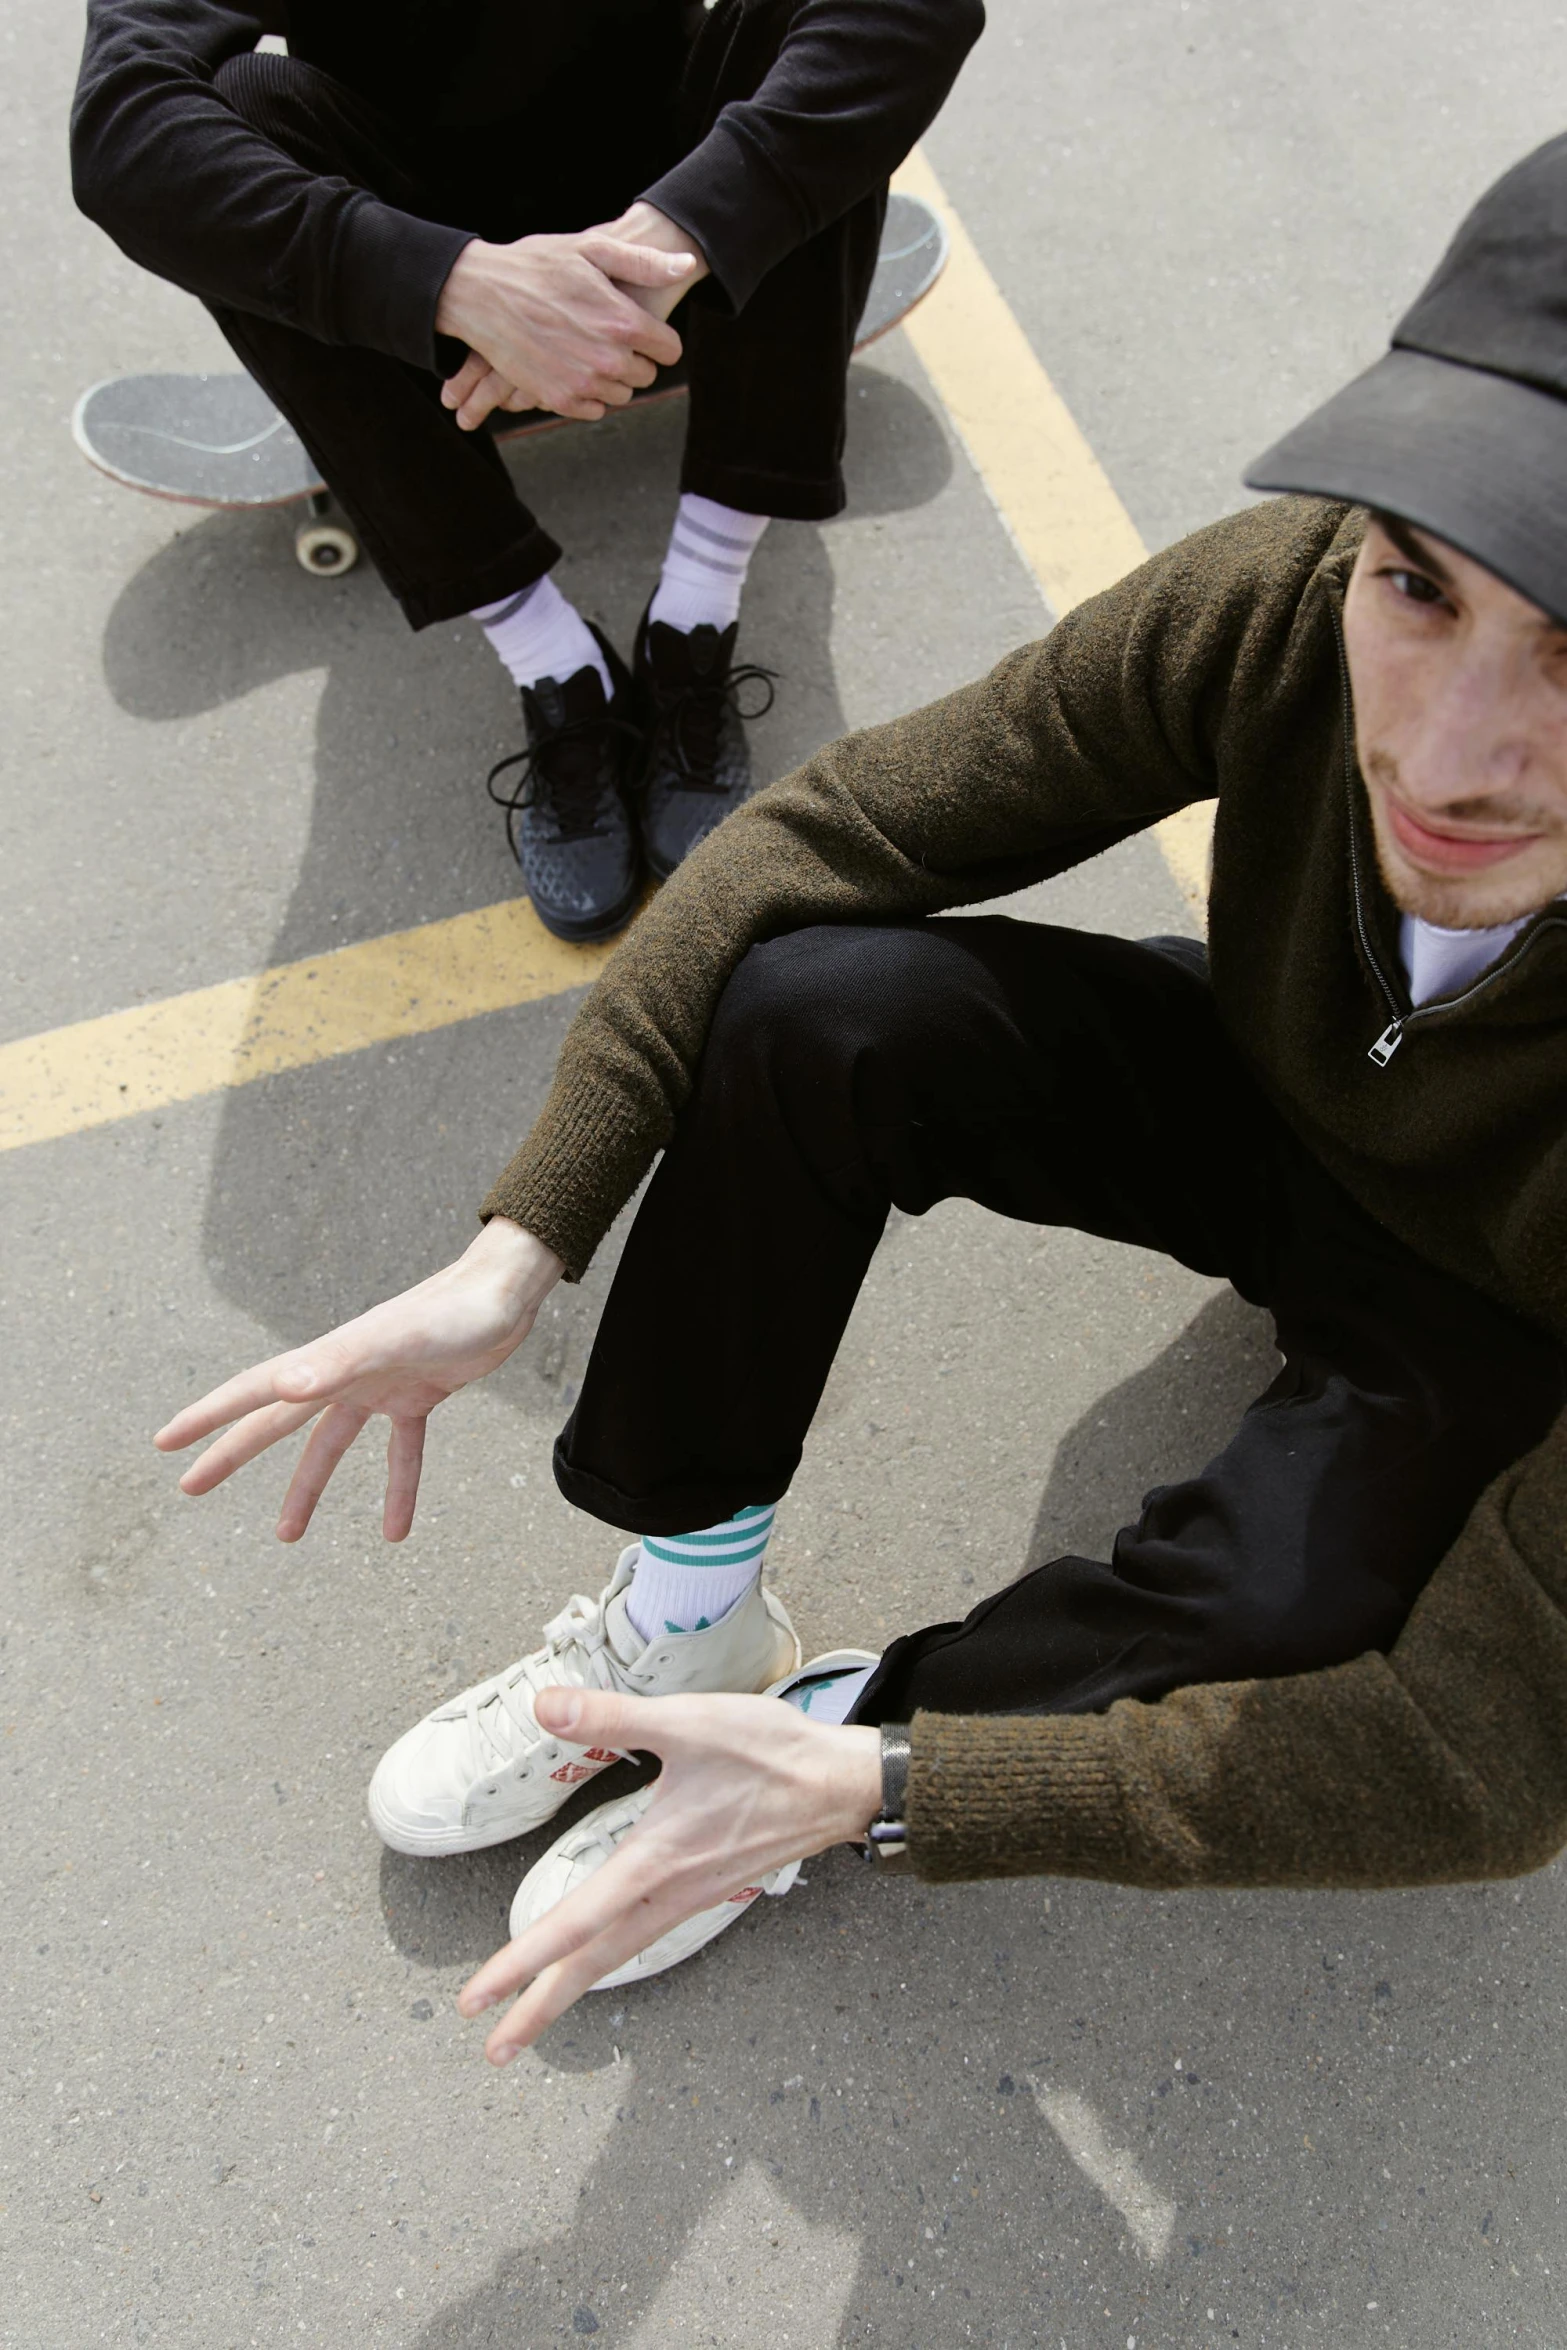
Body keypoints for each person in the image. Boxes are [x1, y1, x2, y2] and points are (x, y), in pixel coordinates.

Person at [157, 133, 1567, 2065]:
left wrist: (916, 1796)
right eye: (1426, 584)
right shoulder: (1297, 595)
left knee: (1295, 1594)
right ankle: (692, 1607)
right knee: (829, 1004)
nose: (1450, 748)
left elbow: (1475, 1760)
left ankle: (818, 1751)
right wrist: (522, 1243)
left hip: (1500, 1310)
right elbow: (836, 828)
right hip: (1280, 1091)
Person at [70, 0, 983, 939]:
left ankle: (693, 616)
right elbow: (120, 131)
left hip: (662, 249)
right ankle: (556, 663)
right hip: (430, 282)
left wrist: (677, 236)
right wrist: (453, 282)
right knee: (240, 113)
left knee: (803, 50)